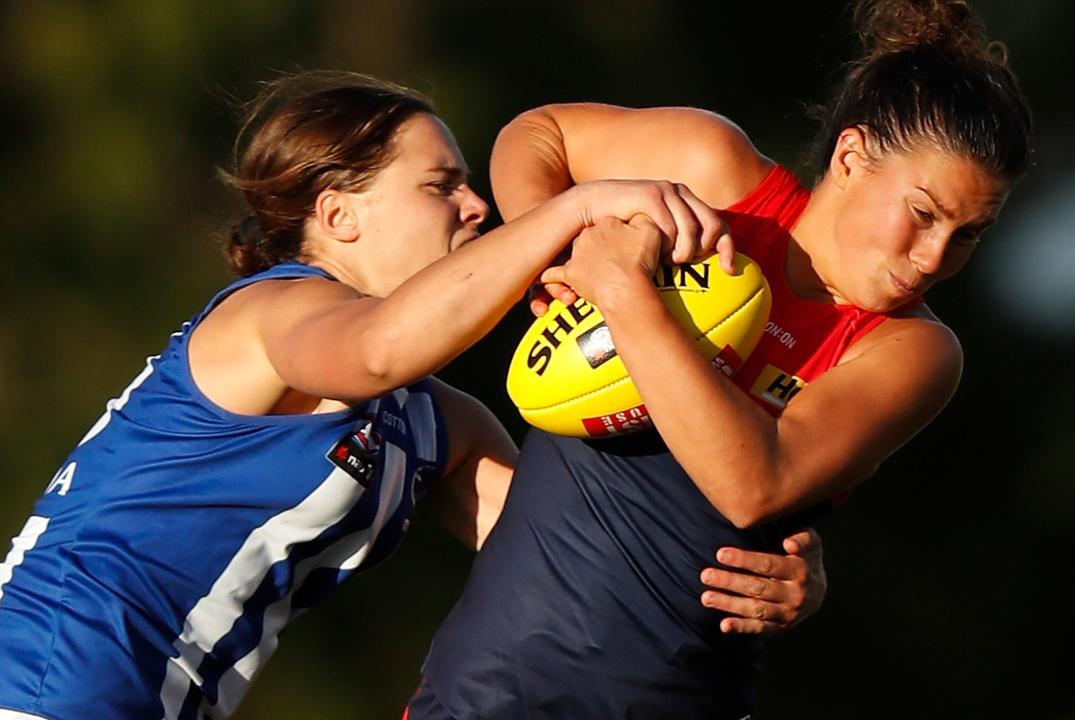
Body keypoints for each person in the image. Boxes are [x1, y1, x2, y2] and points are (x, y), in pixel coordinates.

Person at [0, 72, 825, 720]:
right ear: (338, 216)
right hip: (46, 676)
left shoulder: (434, 423)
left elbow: (576, 558)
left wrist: (777, 576)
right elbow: (379, 347)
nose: (476, 206)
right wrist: (576, 207)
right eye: (441, 186)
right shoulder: (272, 314)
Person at [408, 0, 1033, 717]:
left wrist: (621, 291)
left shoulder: (913, 351)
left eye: (967, 235)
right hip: (481, 691)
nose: (933, 258)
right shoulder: (711, 171)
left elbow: (752, 485)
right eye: (924, 214)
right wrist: (559, 250)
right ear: (852, 155)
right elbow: (538, 134)